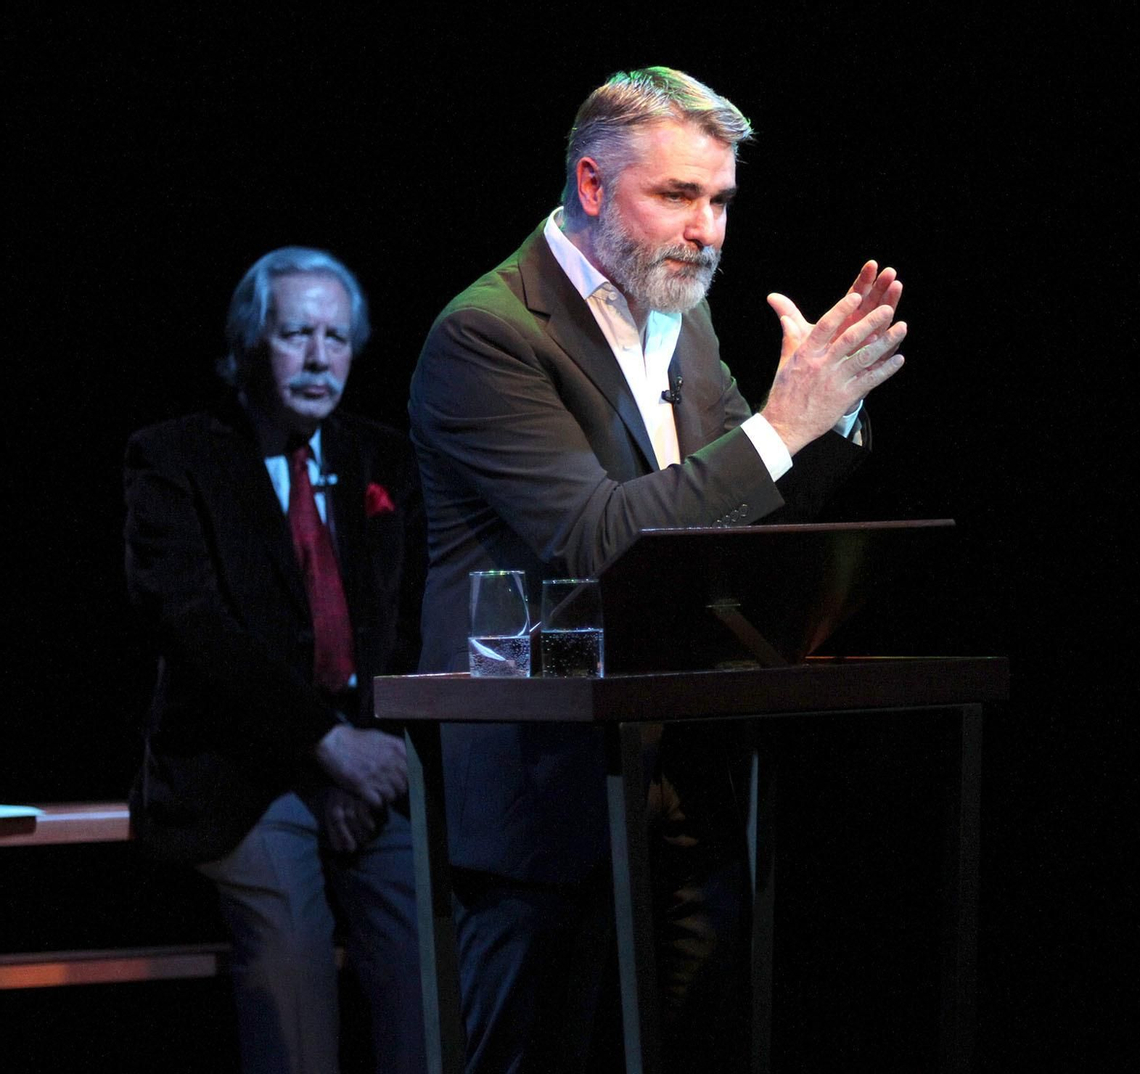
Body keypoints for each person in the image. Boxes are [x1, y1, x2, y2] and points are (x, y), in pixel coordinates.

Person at [409, 66, 908, 1072]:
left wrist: (821, 418)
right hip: (544, 803)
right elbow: (600, 539)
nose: (707, 230)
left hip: (679, 776)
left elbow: (737, 518)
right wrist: (778, 428)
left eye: (720, 200)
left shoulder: (683, 317)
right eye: (677, 196)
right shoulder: (489, 335)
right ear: (591, 187)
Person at [125, 247, 428, 1074]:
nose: (320, 356)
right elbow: (197, 630)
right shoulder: (175, 458)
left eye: (336, 336)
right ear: (250, 344)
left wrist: (358, 756)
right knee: (293, 958)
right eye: (297, 334)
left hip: (368, 759)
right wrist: (324, 750)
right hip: (241, 768)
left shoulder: (382, 459)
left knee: (426, 966)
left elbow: (404, 625)